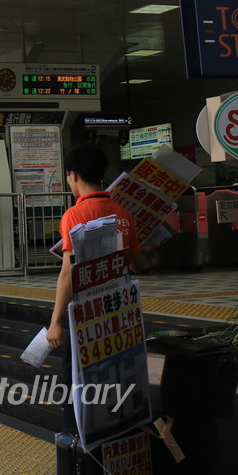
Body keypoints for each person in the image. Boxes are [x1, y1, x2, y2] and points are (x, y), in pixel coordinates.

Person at [46, 144, 155, 350]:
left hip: (86, 312)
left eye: (68, 176)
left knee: (79, 376)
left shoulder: (74, 215)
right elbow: (136, 265)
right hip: (117, 308)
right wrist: (150, 251)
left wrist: (56, 322)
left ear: (74, 175)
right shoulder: (122, 212)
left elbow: (69, 273)